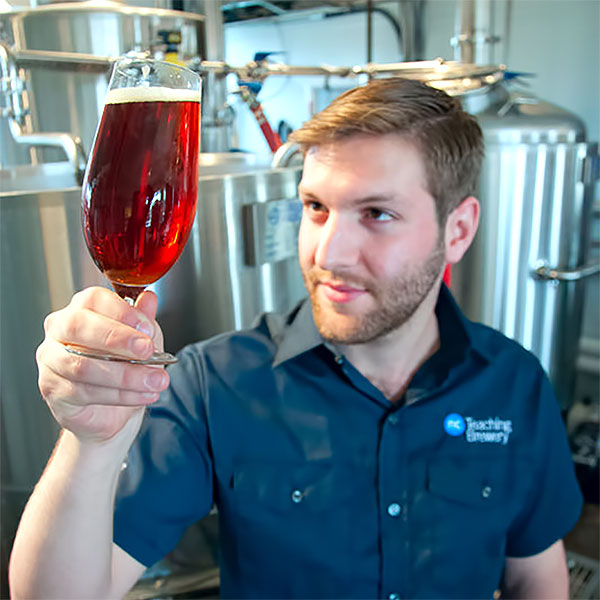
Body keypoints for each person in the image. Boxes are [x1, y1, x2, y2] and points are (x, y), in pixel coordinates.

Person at [9, 78, 582, 600]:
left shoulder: (514, 384)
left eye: (377, 213)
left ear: (457, 230)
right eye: (316, 207)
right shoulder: (215, 385)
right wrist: (91, 445)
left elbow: (536, 577)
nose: (327, 255)